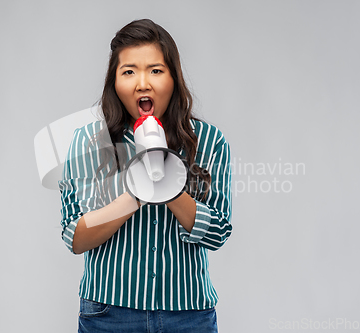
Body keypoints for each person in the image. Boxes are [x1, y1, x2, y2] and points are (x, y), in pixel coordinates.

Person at [59, 19, 232, 333]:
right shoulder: (88, 142)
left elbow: (218, 231)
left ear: (173, 78)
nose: (143, 83)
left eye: (155, 70)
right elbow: (75, 236)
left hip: (188, 315)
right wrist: (136, 194)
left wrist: (169, 188)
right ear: (114, 83)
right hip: (109, 315)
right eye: (129, 72)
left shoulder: (209, 141)